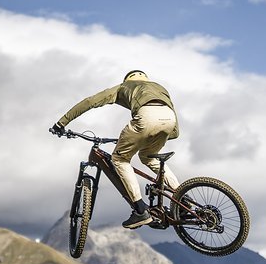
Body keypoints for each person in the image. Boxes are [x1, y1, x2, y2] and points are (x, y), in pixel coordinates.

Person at [51, 70, 181, 229]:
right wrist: (147, 136)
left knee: (119, 159)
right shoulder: (159, 88)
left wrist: (61, 123)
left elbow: (90, 101)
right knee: (149, 157)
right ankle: (182, 199)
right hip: (169, 119)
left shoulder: (123, 87)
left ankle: (140, 210)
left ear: (128, 80)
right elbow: (175, 133)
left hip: (146, 117)